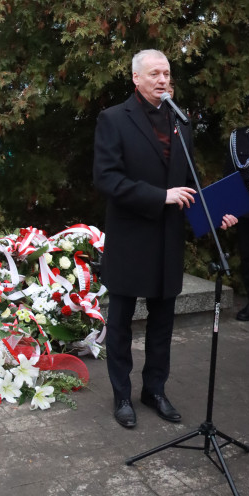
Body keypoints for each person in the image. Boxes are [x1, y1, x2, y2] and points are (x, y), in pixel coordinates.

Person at [93, 49, 236, 428]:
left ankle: (154, 389)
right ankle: (122, 395)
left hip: (166, 242)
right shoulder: (113, 119)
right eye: (154, 73)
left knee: (162, 325)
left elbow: (187, 184)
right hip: (129, 240)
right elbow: (106, 178)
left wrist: (213, 214)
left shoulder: (180, 121)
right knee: (121, 323)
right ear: (136, 79)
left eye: (167, 73)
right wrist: (160, 197)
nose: (162, 80)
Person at [225, 92, 249, 321]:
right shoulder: (238, 137)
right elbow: (230, 174)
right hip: (247, 208)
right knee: (248, 257)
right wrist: (231, 208)